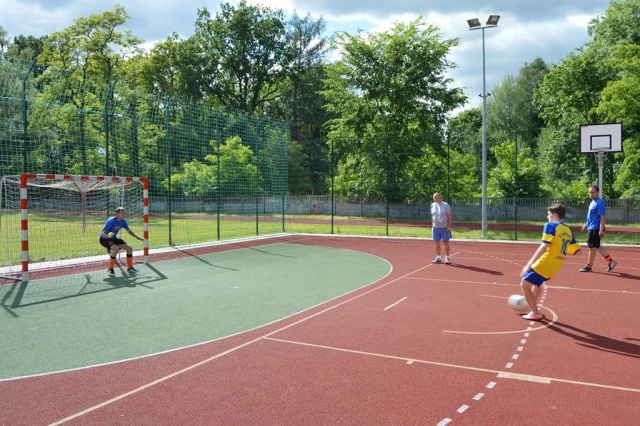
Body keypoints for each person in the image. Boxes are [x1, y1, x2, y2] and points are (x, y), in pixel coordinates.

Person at [520, 204, 581, 321]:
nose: (547, 216)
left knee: (524, 284)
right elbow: (578, 252)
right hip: (557, 265)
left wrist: (529, 264)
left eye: (548, 214)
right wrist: (561, 248)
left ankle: (535, 312)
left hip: (546, 262)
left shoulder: (550, 226)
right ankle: (532, 308)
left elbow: (544, 246)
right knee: (537, 284)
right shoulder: (568, 230)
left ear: (555, 215)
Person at [579, 185, 617, 272]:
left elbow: (602, 217)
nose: (591, 194)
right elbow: (592, 216)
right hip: (592, 227)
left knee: (592, 247)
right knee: (597, 246)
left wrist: (601, 230)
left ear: (597, 192)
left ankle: (589, 266)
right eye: (590, 192)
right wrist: (586, 224)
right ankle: (611, 262)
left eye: (593, 192)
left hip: (595, 228)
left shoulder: (599, 202)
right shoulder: (593, 202)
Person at [99, 207, 144, 277]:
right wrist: (108, 236)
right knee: (116, 248)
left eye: (124, 213)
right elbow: (103, 234)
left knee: (129, 248)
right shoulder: (111, 221)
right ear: (117, 214)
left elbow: (129, 231)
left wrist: (137, 237)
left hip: (113, 239)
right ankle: (110, 269)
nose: (124, 214)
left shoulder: (123, 221)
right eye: (122, 213)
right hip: (104, 239)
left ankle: (130, 268)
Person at [430, 192, 453, 264]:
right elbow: (433, 216)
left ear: (441, 197)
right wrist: (432, 226)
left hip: (444, 227)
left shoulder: (445, 205)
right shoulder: (432, 205)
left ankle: (447, 257)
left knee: (446, 242)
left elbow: (450, 217)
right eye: (435, 198)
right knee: (437, 243)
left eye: (437, 197)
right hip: (435, 228)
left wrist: (449, 227)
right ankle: (438, 257)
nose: (436, 199)